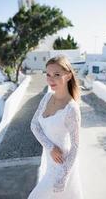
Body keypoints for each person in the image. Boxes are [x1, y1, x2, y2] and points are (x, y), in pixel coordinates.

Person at [27, 55, 84, 199]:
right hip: (50, 163)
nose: (51, 79)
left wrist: (63, 176)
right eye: (48, 74)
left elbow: (76, 146)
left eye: (57, 74)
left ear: (69, 76)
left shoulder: (72, 109)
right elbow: (34, 125)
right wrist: (50, 147)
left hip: (62, 167)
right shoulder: (46, 98)